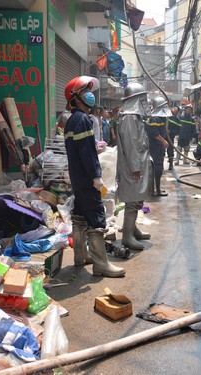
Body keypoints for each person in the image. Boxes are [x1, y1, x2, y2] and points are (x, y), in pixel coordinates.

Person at [64, 76, 125, 277]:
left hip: (78, 177)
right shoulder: (82, 119)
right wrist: (96, 176)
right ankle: (100, 264)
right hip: (86, 177)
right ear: (75, 98)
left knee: (80, 215)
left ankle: (81, 256)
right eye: (83, 93)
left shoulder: (73, 120)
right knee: (97, 216)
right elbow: (86, 153)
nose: (89, 96)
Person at [116, 82, 152, 251]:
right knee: (132, 200)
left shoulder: (134, 116)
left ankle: (133, 229)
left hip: (138, 163)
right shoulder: (129, 117)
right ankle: (127, 236)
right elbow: (130, 144)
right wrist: (135, 167)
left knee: (137, 198)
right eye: (142, 99)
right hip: (133, 166)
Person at [146, 96, 171, 196]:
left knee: (158, 169)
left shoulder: (160, 118)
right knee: (157, 168)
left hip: (159, 147)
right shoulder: (155, 118)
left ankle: (157, 189)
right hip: (155, 147)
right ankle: (156, 190)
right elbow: (154, 132)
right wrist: (164, 141)